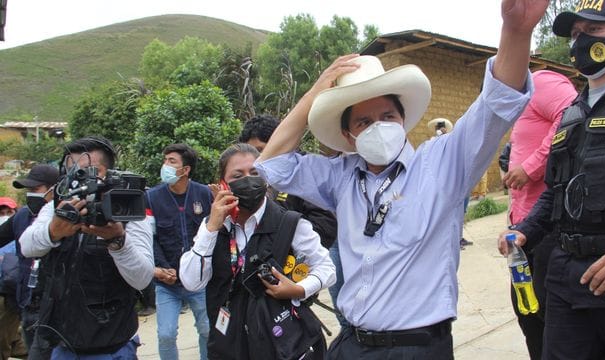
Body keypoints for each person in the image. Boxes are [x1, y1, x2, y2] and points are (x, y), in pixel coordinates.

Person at [255, 1, 548, 357]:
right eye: (363, 122)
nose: (378, 127)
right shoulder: (340, 177)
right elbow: (273, 163)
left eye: (387, 115)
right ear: (349, 137)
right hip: (352, 345)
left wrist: (516, 31)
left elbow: (497, 102)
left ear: (403, 118)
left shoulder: (443, 164)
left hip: (416, 348)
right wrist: (315, 94)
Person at [497, 1, 605, 358]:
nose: (580, 41)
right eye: (576, 34)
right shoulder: (572, 113)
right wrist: (525, 229)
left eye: (593, 30)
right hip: (565, 274)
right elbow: (557, 190)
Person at [179, 143, 335, 359]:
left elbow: (326, 267)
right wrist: (211, 227)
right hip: (228, 344)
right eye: (237, 175)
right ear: (223, 183)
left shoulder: (287, 222)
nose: (248, 180)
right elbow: (191, 281)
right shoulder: (212, 228)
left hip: (280, 343)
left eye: (255, 173)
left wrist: (299, 289)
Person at [19, 136, 154, 358]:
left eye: (90, 171)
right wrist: (54, 231)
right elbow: (27, 247)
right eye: (74, 173)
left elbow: (142, 278)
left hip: (111, 346)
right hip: (57, 342)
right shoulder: (57, 206)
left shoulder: (128, 208)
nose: (80, 180)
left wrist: (118, 241)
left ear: (109, 173)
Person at [500, 70, 577, 360]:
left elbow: (572, 119)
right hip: (523, 230)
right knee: (527, 313)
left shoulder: (543, 82)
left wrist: (531, 166)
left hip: (548, 225)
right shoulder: (519, 102)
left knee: (549, 320)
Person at [239, 114, 342, 325]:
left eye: (261, 150)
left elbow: (326, 222)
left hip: (292, 273)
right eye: (252, 152)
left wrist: (288, 247)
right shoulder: (245, 181)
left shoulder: (301, 173)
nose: (258, 160)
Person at [145, 143, 211, 360]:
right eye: (165, 160)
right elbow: (150, 238)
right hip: (167, 283)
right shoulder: (152, 197)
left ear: (186, 169)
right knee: (165, 334)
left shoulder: (204, 194)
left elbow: (213, 233)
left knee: (207, 330)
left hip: (200, 281)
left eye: (172, 161)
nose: (165, 165)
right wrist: (163, 268)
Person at [0, 164, 60, 359]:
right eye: (28, 190)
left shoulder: (67, 218)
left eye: (36, 190)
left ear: (55, 189)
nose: (30, 195)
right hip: (27, 303)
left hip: (55, 307)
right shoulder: (22, 216)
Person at [428, 118, 474, 249]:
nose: (441, 130)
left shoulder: (452, 142)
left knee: (461, 211)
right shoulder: (432, 144)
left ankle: (459, 237)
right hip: (444, 184)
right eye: (438, 127)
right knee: (448, 213)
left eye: (442, 127)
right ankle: (451, 241)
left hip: (459, 181)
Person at [0, 197, 24, 360]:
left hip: (11, 293)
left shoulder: (21, 233)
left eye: (9, 212)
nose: (5, 215)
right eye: (1, 213)